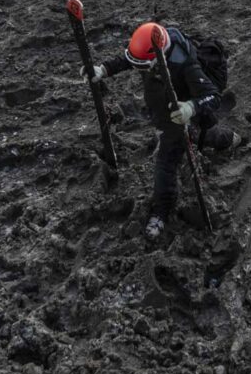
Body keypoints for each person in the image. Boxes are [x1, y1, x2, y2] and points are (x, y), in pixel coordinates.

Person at [81, 22, 241, 239]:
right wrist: (104, 69)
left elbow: (213, 96)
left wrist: (190, 108)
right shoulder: (153, 45)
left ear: (158, 59)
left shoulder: (185, 64)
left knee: (166, 163)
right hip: (163, 108)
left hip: (179, 115)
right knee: (201, 136)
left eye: (143, 66)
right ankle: (228, 139)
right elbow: (130, 60)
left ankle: (162, 210)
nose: (138, 69)